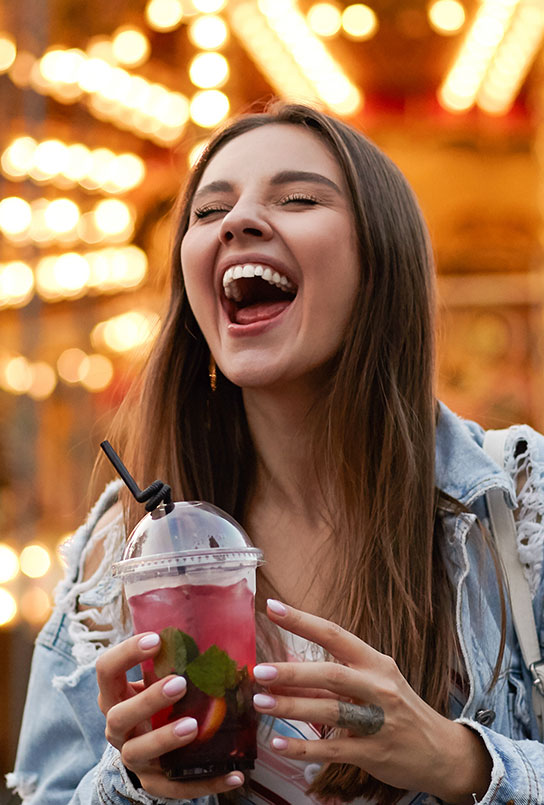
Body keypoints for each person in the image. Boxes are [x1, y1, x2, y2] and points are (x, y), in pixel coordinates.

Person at [8, 101, 544, 805]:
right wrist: (130, 784)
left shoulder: (516, 504)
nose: (236, 221)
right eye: (208, 212)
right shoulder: (118, 551)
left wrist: (459, 761)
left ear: (381, 258)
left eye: (297, 198)